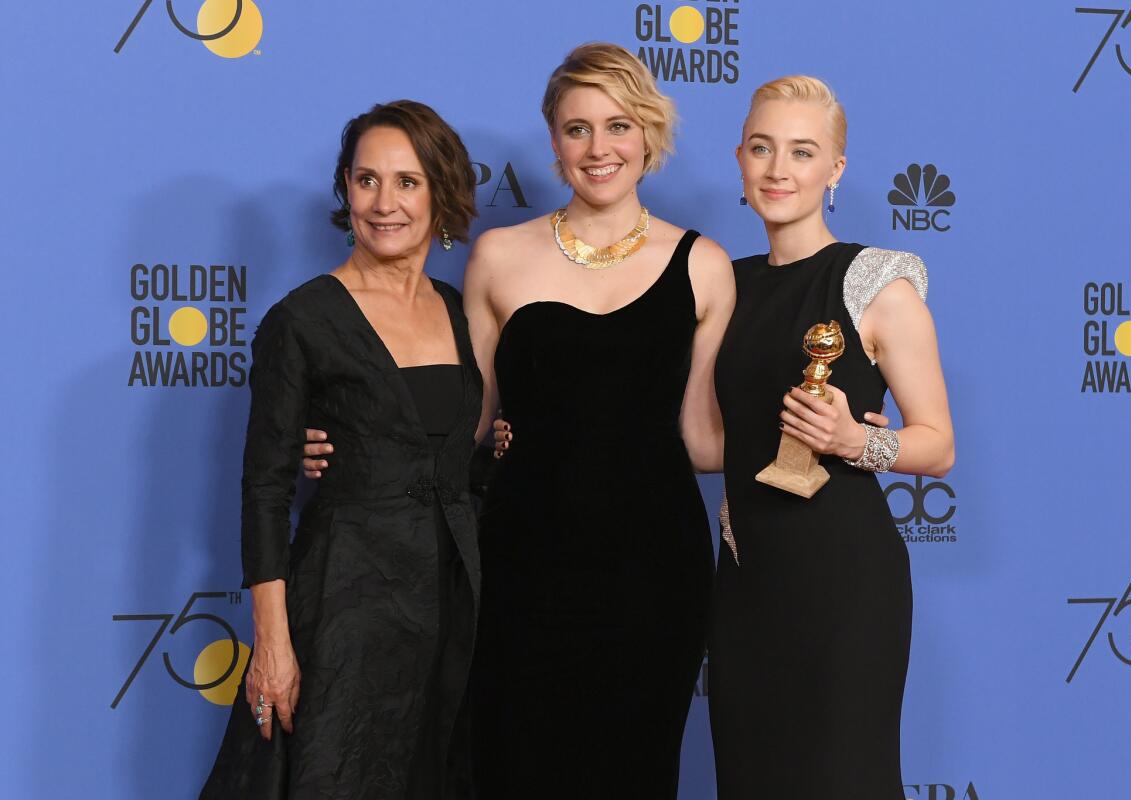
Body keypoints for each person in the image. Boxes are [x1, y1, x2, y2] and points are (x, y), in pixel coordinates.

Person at [304, 43, 734, 798]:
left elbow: (701, 438)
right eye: (576, 129)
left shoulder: (704, 265)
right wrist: (346, 446)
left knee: (634, 772)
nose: (598, 148)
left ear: (649, 136)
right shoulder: (499, 257)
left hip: (654, 572)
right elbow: (463, 423)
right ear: (553, 141)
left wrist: (817, 439)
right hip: (520, 564)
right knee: (514, 766)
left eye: (618, 126)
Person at [201, 100, 483, 800]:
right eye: (365, 181)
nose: (384, 203)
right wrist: (271, 644)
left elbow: (452, 449)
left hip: (452, 604)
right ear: (345, 190)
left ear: (441, 191)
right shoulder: (301, 320)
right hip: (345, 609)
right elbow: (264, 490)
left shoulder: (457, 309)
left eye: (407, 182)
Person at [709, 76, 955, 798]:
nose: (778, 169)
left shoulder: (878, 284)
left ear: (835, 169)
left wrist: (857, 441)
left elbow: (938, 445)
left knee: (841, 778)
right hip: (746, 578)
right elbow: (702, 438)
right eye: (762, 148)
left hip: (846, 582)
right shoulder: (725, 284)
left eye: (802, 151)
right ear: (740, 159)